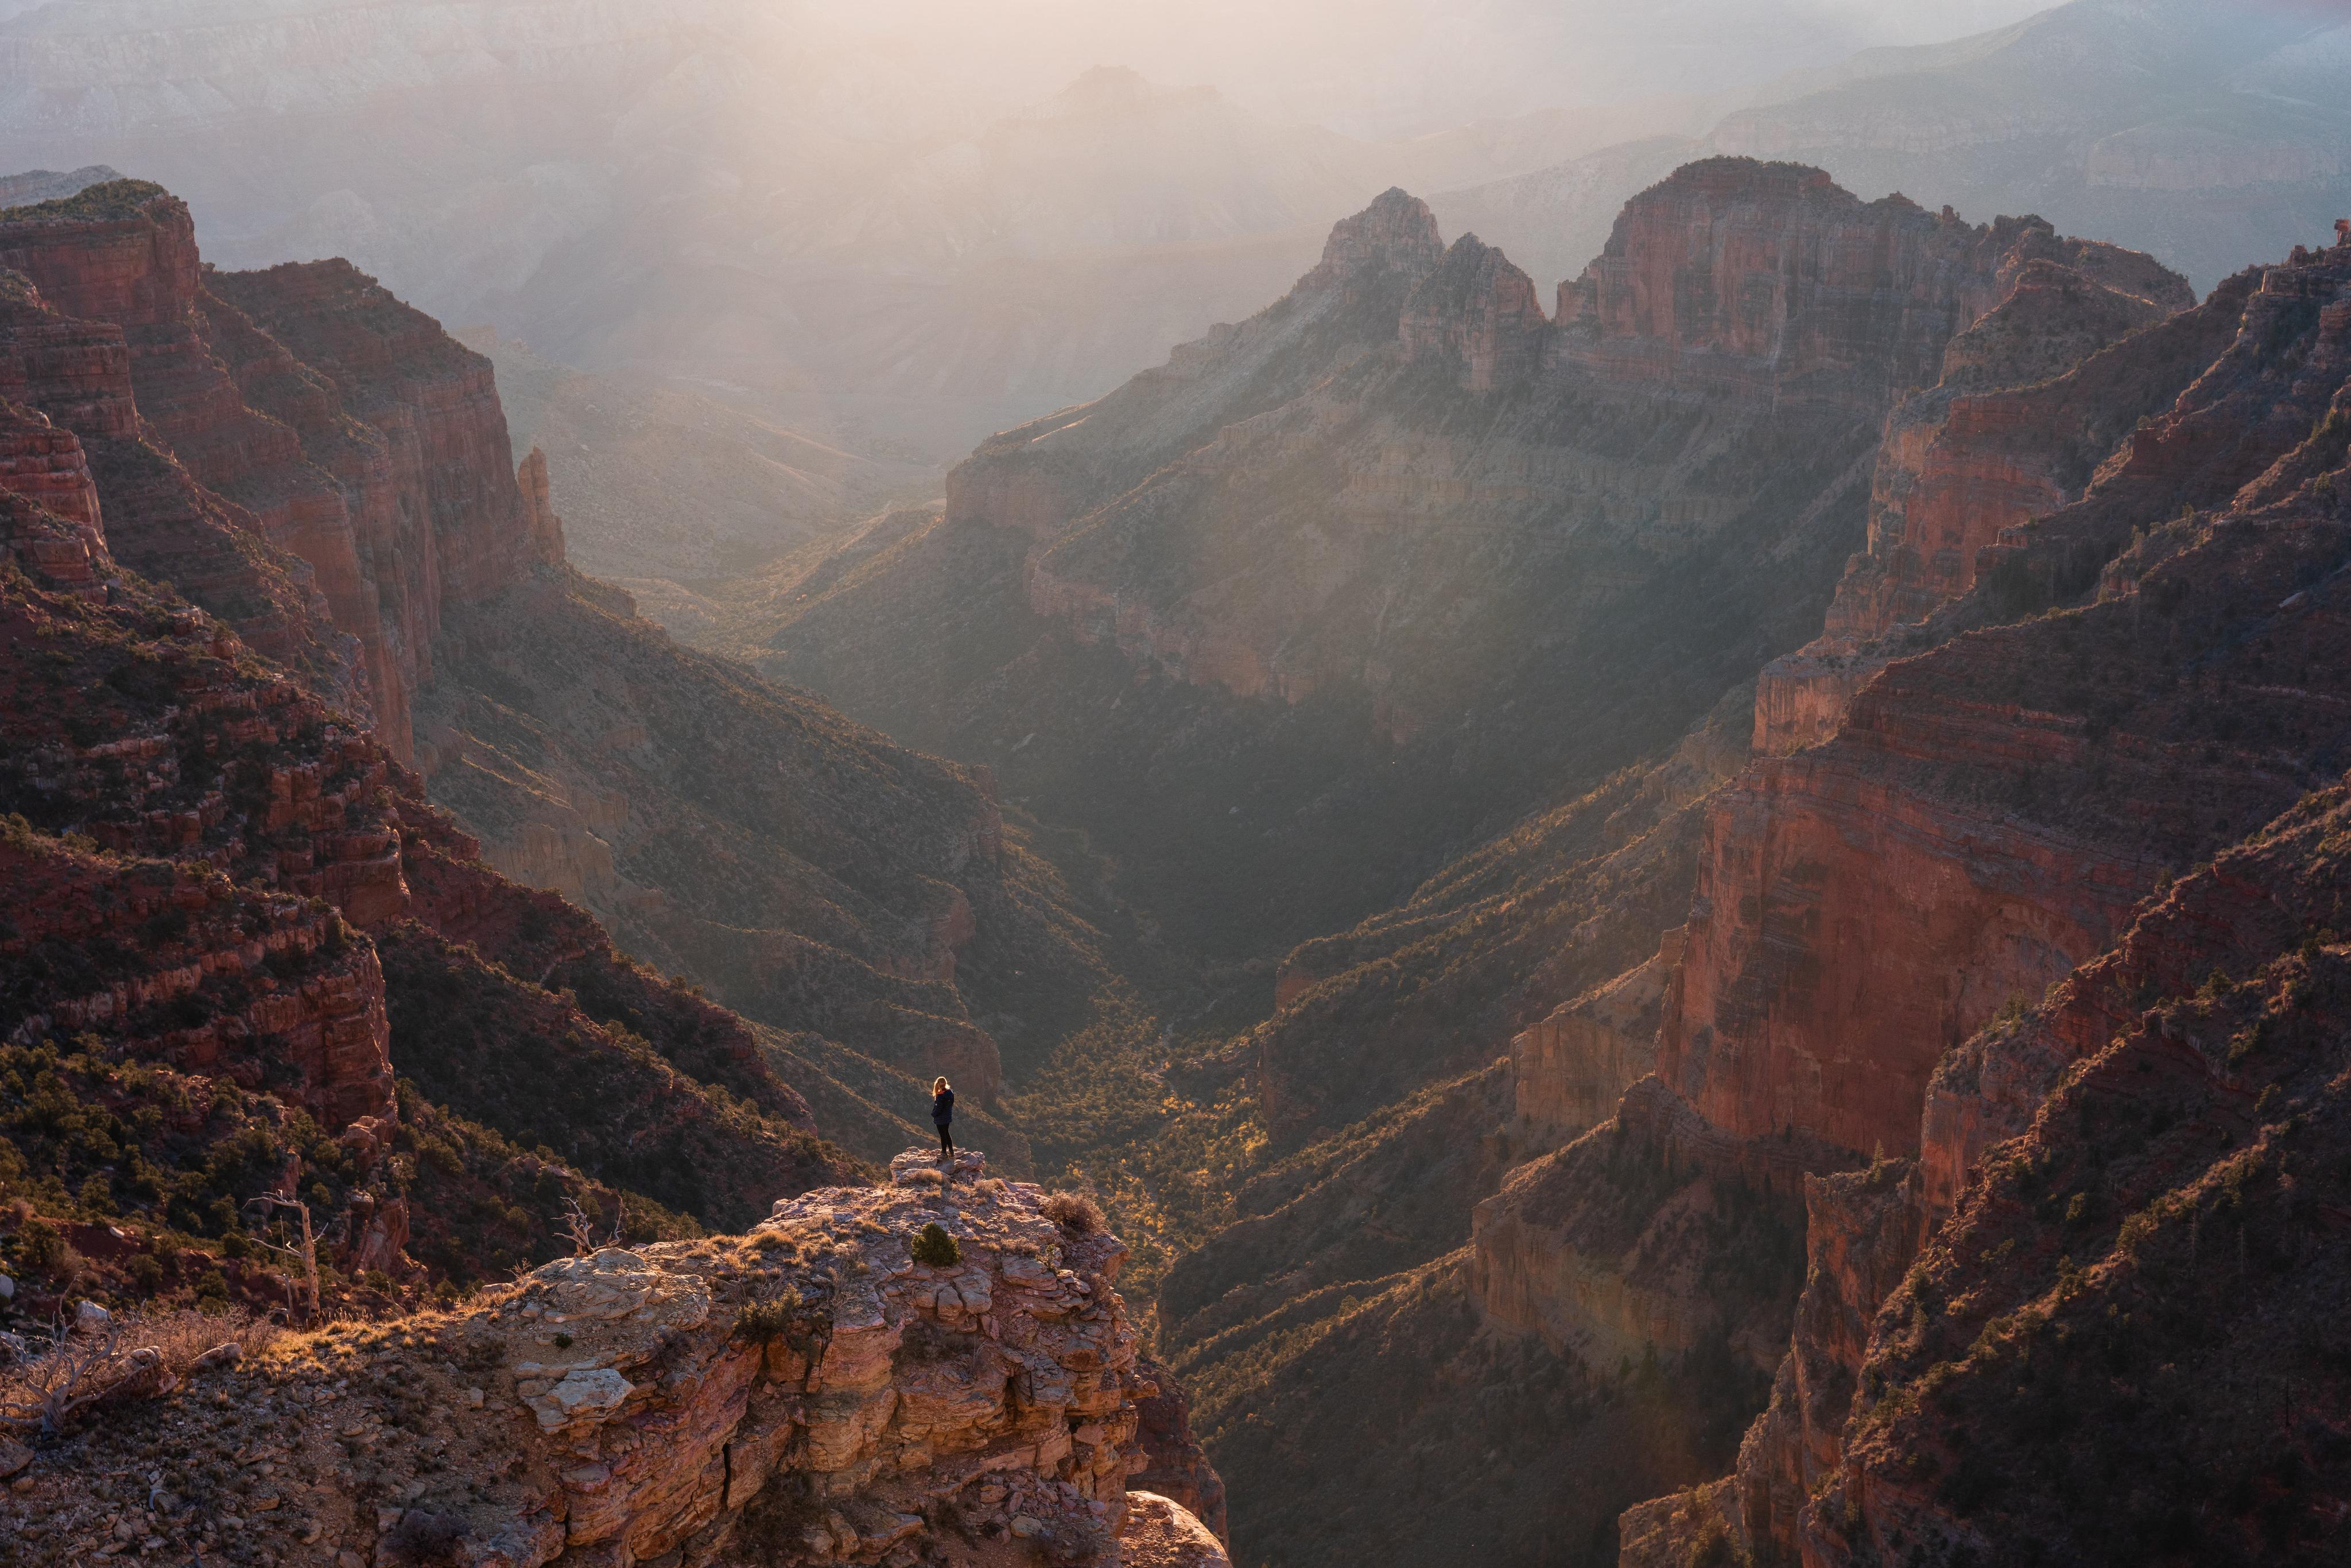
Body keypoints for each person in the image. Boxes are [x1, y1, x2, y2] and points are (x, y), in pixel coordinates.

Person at [932, 1076, 956, 1161]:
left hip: (941, 1118)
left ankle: (944, 1153)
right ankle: (952, 1152)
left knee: (943, 1135)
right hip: (948, 1116)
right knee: (947, 1133)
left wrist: (933, 1114)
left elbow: (938, 1108)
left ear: (938, 1084)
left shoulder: (940, 1096)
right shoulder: (950, 1093)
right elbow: (951, 1104)